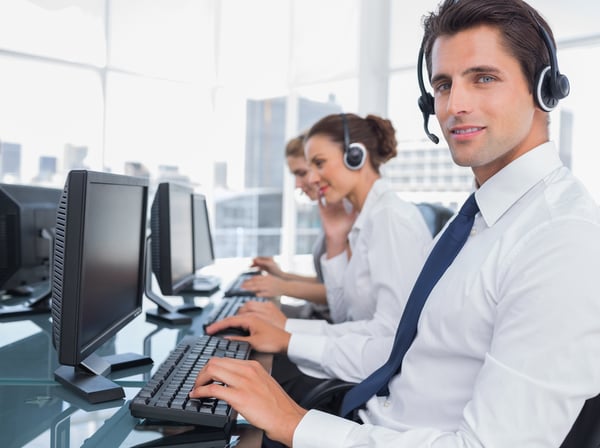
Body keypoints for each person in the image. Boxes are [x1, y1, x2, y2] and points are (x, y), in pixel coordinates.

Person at [192, 1, 600, 444]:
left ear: (545, 90)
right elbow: (398, 348)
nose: (455, 105)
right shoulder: (476, 223)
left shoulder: (561, 240)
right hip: (371, 419)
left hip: (373, 431)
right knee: (192, 415)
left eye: (484, 78)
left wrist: (294, 422)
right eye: (443, 85)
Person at [236, 112, 433, 394]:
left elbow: (390, 338)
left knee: (249, 376)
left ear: (356, 155)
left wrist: (289, 333)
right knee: (247, 363)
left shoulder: (391, 220)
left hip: (374, 382)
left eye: (319, 163)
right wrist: (335, 237)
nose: (312, 178)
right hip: (353, 362)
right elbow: (342, 314)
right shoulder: (367, 219)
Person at [242, 133, 331, 321]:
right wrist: (281, 275)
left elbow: (340, 294)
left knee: (250, 320)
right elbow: (327, 283)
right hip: (314, 313)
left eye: (301, 173)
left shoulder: (347, 222)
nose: (298, 184)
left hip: (326, 323)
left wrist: (281, 286)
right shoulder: (330, 216)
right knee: (247, 314)